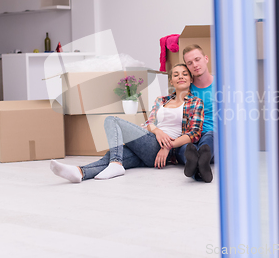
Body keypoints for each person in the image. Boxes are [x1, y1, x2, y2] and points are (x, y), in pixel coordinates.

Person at [50, 63, 204, 183]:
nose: (180, 77)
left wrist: (167, 146)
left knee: (112, 120)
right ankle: (80, 172)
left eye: (185, 74)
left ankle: (116, 164)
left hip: (165, 149)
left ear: (191, 79)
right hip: (149, 144)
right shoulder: (161, 100)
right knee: (112, 155)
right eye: (176, 75)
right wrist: (158, 131)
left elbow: (194, 133)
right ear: (171, 80)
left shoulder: (196, 102)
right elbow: (150, 122)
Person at [176, 44, 215, 183]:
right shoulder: (185, 89)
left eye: (198, 59)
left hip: (213, 134)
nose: (195, 65)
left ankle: (197, 165)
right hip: (191, 134)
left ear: (206, 59)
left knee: (210, 139)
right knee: (185, 147)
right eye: (190, 63)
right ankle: (200, 165)